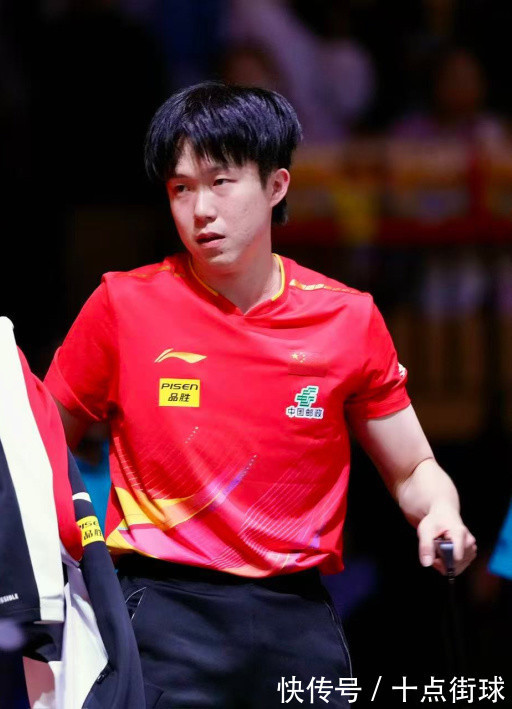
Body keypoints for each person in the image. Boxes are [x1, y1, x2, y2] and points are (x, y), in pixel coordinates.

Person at [45, 82, 477, 707]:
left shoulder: (347, 319)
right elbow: (41, 442)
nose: (200, 210)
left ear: (276, 186)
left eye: (220, 182)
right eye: (180, 188)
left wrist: (440, 511)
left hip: (295, 620)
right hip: (161, 613)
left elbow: (413, 468)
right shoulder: (123, 305)